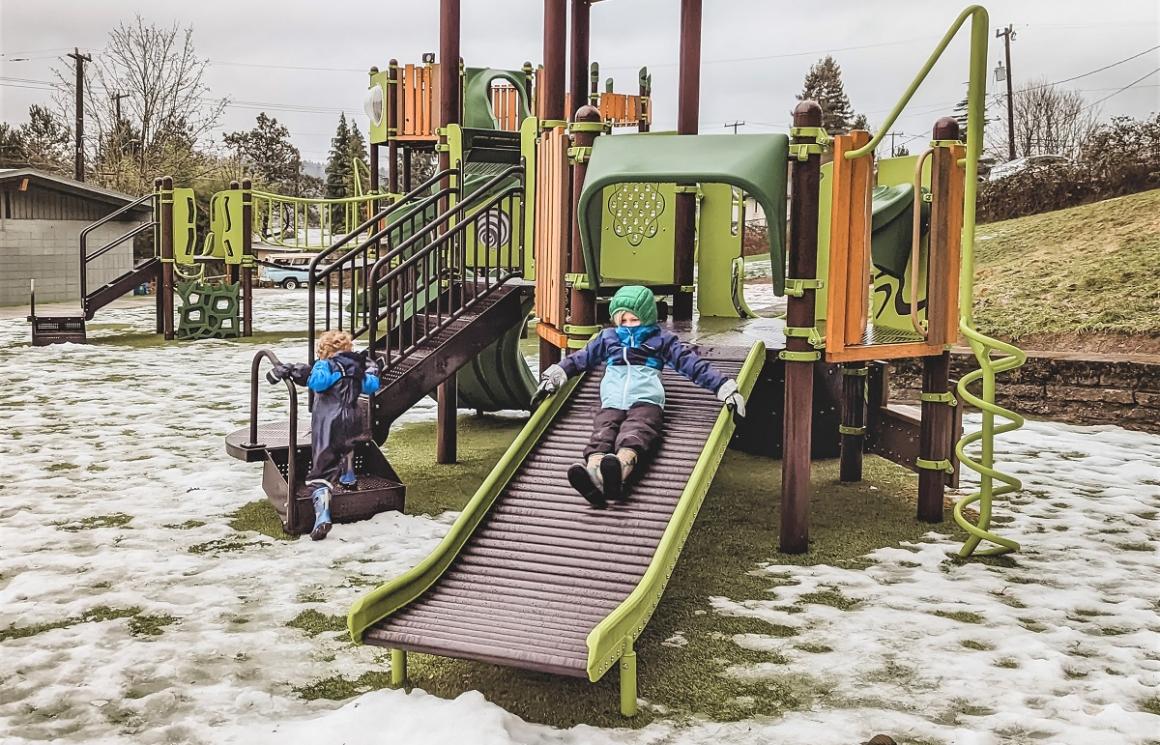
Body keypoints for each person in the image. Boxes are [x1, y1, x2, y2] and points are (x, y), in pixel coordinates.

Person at [534, 285, 746, 507]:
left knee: (636, 433)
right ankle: (592, 478)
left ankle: (619, 472)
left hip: (646, 400)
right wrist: (553, 377)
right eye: (622, 320)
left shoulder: (661, 340)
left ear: (646, 318)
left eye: (633, 320)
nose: (627, 326)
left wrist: (725, 388)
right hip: (612, 400)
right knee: (601, 435)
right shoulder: (608, 338)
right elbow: (579, 359)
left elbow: (692, 365)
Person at [268, 330, 380, 540]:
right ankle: (348, 476)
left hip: (329, 422)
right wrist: (371, 369)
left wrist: (295, 370)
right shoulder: (355, 368)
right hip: (354, 419)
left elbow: (316, 382)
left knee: (321, 469)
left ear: (324, 351)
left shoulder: (324, 365)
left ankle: (323, 516)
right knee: (347, 447)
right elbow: (372, 385)